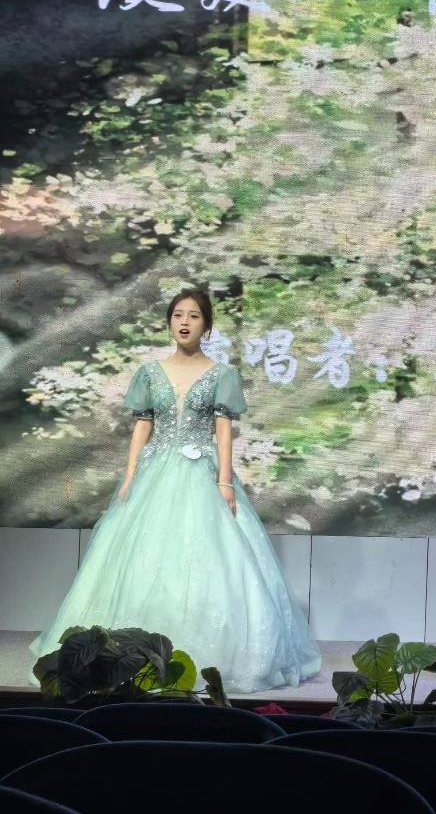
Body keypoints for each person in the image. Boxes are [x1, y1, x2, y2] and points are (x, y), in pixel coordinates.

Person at [31, 289, 321, 693]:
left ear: (207, 325)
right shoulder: (150, 373)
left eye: (194, 316)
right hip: (156, 473)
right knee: (141, 557)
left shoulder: (221, 374)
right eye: (178, 315)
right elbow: (143, 424)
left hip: (202, 473)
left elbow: (223, 431)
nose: (185, 322)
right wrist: (131, 473)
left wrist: (224, 481)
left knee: (212, 557)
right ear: (169, 322)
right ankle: (129, 656)